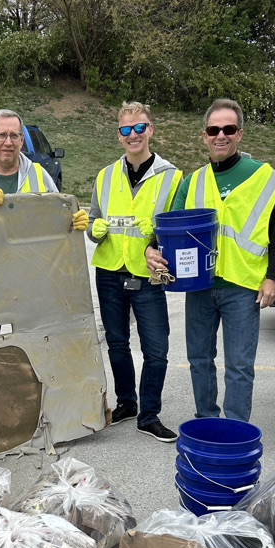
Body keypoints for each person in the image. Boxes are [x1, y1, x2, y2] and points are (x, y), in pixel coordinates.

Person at [149, 98, 275, 423]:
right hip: (200, 287)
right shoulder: (193, 181)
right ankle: (207, 421)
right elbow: (169, 225)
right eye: (214, 129)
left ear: (239, 134)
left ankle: (235, 432)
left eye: (228, 129)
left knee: (239, 366)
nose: (220, 135)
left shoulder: (262, 177)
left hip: (242, 287)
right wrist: (151, 248)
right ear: (205, 135)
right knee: (199, 359)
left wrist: (273, 277)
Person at [88, 102, 181, 443]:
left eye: (139, 128)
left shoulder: (171, 177)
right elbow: (94, 224)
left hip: (148, 273)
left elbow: (177, 230)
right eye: (126, 130)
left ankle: (149, 414)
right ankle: (127, 402)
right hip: (110, 270)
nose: (133, 135)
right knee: (116, 343)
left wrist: (156, 237)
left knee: (156, 348)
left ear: (150, 130)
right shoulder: (106, 175)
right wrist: (94, 231)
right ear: (119, 135)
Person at [0, 110, 89, 237]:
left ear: (21, 140)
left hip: (32, 259)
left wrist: (73, 219)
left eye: (14, 135)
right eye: (2, 135)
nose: (8, 142)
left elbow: (58, 218)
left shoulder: (39, 175)